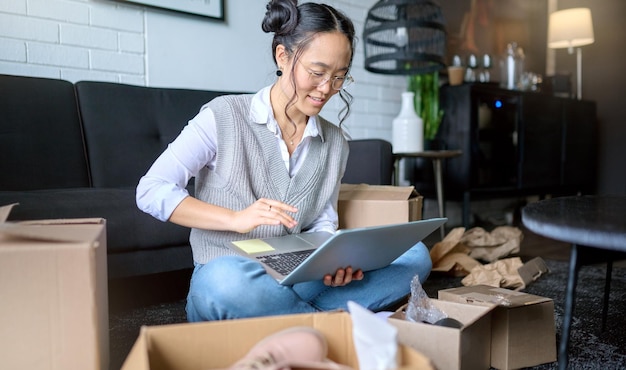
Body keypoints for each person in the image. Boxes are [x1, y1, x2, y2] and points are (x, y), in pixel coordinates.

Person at [136, 0, 432, 322]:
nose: (326, 89)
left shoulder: (334, 142)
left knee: (415, 256)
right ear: (283, 56)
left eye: (339, 77)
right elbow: (151, 190)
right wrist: (235, 219)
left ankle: (301, 324)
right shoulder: (223, 116)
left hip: (301, 279)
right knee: (223, 283)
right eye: (317, 73)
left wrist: (334, 261)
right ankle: (334, 324)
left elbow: (322, 222)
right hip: (236, 277)